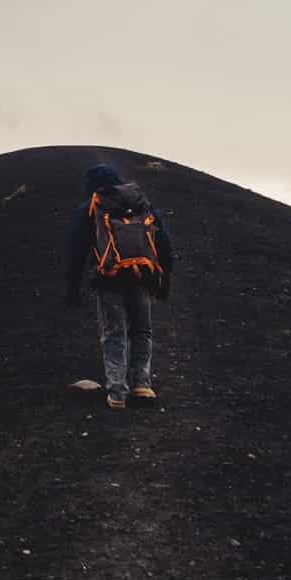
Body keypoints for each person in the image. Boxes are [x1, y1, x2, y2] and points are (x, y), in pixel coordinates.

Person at [65, 163, 174, 409]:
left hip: (109, 279)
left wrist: (73, 286)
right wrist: (164, 276)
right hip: (143, 277)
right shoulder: (141, 204)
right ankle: (142, 386)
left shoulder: (92, 208)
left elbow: (76, 250)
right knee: (142, 331)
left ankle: (117, 393)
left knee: (115, 333)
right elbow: (163, 242)